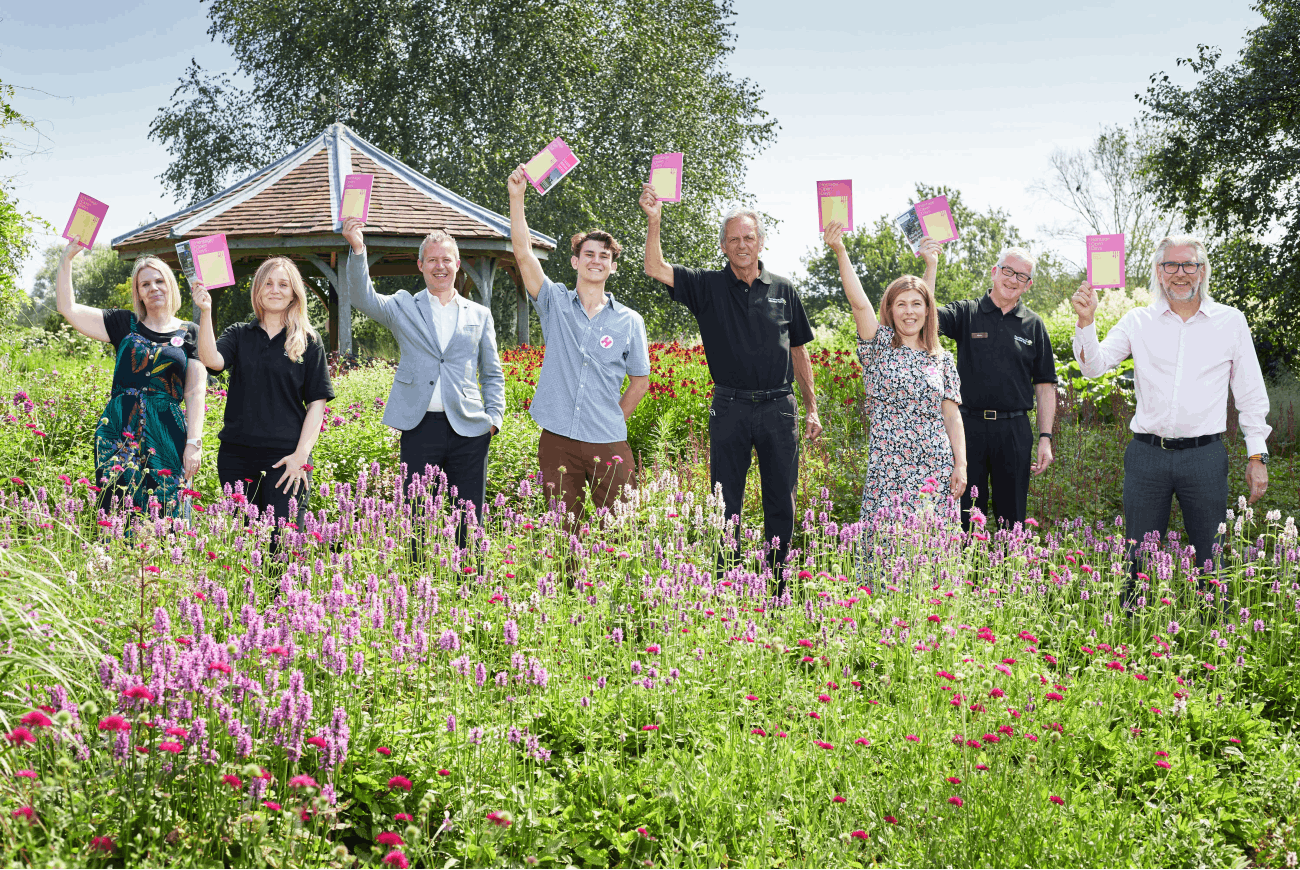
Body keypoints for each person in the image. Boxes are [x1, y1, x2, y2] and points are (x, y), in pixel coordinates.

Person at [1071, 235, 1270, 600]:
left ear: (1202, 271)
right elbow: (1094, 369)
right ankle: (1131, 635)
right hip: (1147, 457)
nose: (1180, 273)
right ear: (1159, 274)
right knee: (1137, 557)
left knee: (1212, 556)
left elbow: (1251, 394)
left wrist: (1257, 456)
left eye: (1189, 265)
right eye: (1171, 266)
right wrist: (1086, 322)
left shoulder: (1231, 322)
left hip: (1205, 458)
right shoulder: (1137, 321)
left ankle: (1216, 633)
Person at [641, 185, 821, 578]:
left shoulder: (784, 289)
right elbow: (655, 268)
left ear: (761, 243)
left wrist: (811, 408)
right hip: (730, 408)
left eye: (749, 237)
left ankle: (777, 586)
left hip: (779, 408)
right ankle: (727, 585)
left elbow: (799, 351)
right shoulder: (706, 286)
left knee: (781, 502)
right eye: (734, 239)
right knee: (725, 503)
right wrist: (655, 221)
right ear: (723, 246)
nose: (742, 245)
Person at [341, 218, 505, 543]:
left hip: (471, 430)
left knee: (469, 519)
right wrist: (358, 248)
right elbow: (362, 297)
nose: (439, 266)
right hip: (419, 427)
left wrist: (494, 419)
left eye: (446, 259)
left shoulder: (478, 314)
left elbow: (492, 372)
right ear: (420, 265)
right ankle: (419, 590)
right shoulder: (403, 305)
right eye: (432, 259)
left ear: (457, 264)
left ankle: (469, 586)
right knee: (416, 517)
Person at [508, 165, 651, 522]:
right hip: (557, 438)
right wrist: (517, 196)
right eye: (589, 254)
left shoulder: (629, 321)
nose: (596, 260)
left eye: (605, 256)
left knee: (621, 529)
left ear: (613, 267)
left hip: (608, 440)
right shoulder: (555, 302)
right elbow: (524, 254)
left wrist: (614, 418)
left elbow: (640, 380)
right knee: (563, 532)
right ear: (575, 261)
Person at [823, 223, 966, 528]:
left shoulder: (941, 359)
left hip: (936, 469)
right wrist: (841, 250)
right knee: (885, 552)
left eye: (916, 305)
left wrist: (961, 465)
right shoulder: (878, 347)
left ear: (928, 310)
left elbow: (953, 418)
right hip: (889, 471)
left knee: (931, 554)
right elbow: (859, 302)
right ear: (889, 309)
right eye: (901, 304)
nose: (909, 311)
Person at [55, 238, 205, 516]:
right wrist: (67, 259)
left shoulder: (190, 332)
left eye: (159, 281)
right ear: (138, 292)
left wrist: (194, 443)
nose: (154, 288)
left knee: (168, 502)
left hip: (168, 431)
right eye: (145, 284)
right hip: (119, 431)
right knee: (117, 504)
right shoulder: (123, 323)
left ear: (170, 284)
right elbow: (69, 308)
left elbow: (195, 392)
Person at [192, 257, 335, 535]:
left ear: (294, 293)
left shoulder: (308, 340)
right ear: (257, 289)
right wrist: (205, 311)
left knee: (283, 545)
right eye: (268, 283)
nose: (275, 290)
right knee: (244, 547)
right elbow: (212, 360)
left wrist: (300, 457)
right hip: (237, 457)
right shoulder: (239, 334)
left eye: (283, 284)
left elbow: (317, 403)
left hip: (287, 460)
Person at [936, 245, 1057, 531]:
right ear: (994, 272)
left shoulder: (1034, 325)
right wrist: (932, 264)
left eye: (1022, 276)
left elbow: (1045, 386)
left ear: (1028, 285)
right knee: (965, 511)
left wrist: (1045, 438)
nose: (1013, 279)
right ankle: (963, 574)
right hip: (968, 428)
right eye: (1008, 271)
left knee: (1012, 514)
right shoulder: (966, 313)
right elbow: (926, 318)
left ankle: (1008, 573)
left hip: (1014, 431)